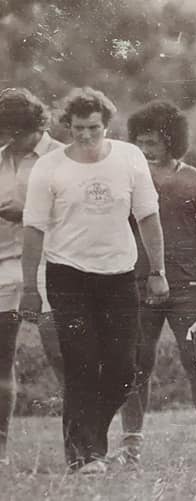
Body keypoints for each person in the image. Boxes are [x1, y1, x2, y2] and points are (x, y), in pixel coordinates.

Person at [19, 87, 169, 473]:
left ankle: (87, 440)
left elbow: (148, 217)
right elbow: (33, 229)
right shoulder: (49, 167)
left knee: (123, 371)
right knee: (81, 364)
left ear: (107, 125)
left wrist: (158, 271)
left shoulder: (129, 157)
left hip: (118, 276)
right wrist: (29, 288)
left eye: (93, 128)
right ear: (67, 127)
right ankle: (85, 456)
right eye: (78, 128)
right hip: (68, 276)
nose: (86, 135)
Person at [107, 100, 196, 465]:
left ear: (172, 141)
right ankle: (130, 446)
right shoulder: (126, 180)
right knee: (135, 365)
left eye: (153, 143)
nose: (146, 149)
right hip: (137, 287)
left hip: (189, 290)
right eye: (140, 142)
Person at [0, 88, 65, 465]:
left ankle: (82, 446)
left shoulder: (61, 158)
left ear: (35, 125)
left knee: (62, 356)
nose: (10, 140)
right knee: (0, 361)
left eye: (15, 132)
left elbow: (72, 212)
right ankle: (0, 451)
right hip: (3, 264)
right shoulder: (1, 158)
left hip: (49, 265)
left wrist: (23, 215)